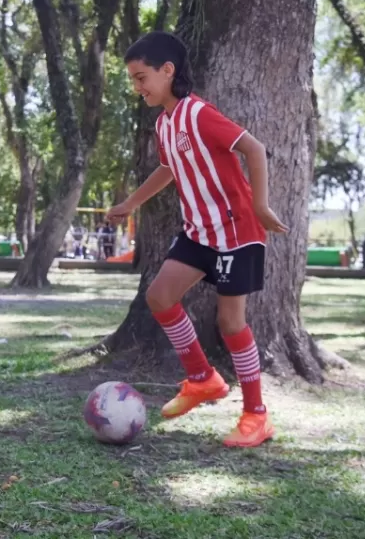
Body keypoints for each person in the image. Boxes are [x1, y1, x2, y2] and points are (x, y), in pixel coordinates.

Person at [107, 31, 288, 448]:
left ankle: (257, 416)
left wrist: (260, 207)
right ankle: (203, 378)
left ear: (167, 71)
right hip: (199, 232)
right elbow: (167, 170)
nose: (137, 87)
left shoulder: (198, 113)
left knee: (230, 322)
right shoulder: (165, 123)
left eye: (141, 77)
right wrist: (131, 203)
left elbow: (255, 149)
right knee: (159, 296)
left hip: (237, 231)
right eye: (133, 80)